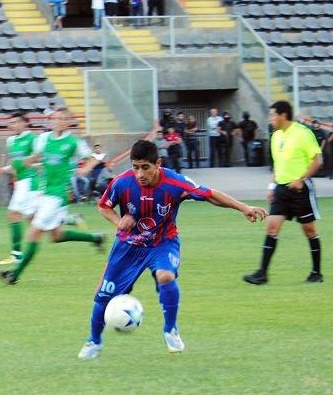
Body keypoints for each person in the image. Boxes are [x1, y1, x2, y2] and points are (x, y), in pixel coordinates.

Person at [77, 140, 267, 360]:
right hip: (128, 246)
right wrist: (119, 221)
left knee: (165, 276)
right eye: (136, 167)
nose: (140, 173)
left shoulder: (175, 182)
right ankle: (94, 341)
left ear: (157, 163)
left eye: (145, 167)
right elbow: (103, 206)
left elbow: (210, 195)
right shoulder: (122, 182)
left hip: (162, 242)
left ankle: (170, 330)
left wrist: (244, 208)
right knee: (103, 297)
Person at [0, 108, 106, 285]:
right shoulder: (43, 139)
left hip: (58, 194)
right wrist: (27, 162)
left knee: (33, 232)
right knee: (56, 235)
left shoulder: (73, 142)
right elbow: (37, 156)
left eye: (62, 119)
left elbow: (97, 156)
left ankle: (14, 275)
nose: (57, 121)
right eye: (54, 118)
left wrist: (86, 168)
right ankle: (96, 238)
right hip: (44, 191)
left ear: (68, 122)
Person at [244, 101, 324, 285]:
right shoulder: (275, 136)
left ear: (283, 115)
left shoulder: (302, 133)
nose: (270, 119)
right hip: (281, 190)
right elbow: (278, 165)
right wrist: (272, 187)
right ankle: (262, 274)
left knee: (309, 231)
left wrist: (301, 180)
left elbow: (318, 160)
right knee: (271, 228)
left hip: (301, 190)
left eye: (273, 115)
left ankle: (316, 273)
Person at [0, 113, 40, 265]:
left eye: (15, 122)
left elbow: (39, 159)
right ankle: (69, 220)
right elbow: (16, 164)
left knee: (13, 215)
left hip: (30, 182)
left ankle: (16, 254)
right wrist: (6, 169)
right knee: (32, 219)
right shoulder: (11, 141)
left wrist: (33, 165)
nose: (12, 125)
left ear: (24, 123)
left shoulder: (33, 139)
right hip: (20, 182)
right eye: (10, 123)